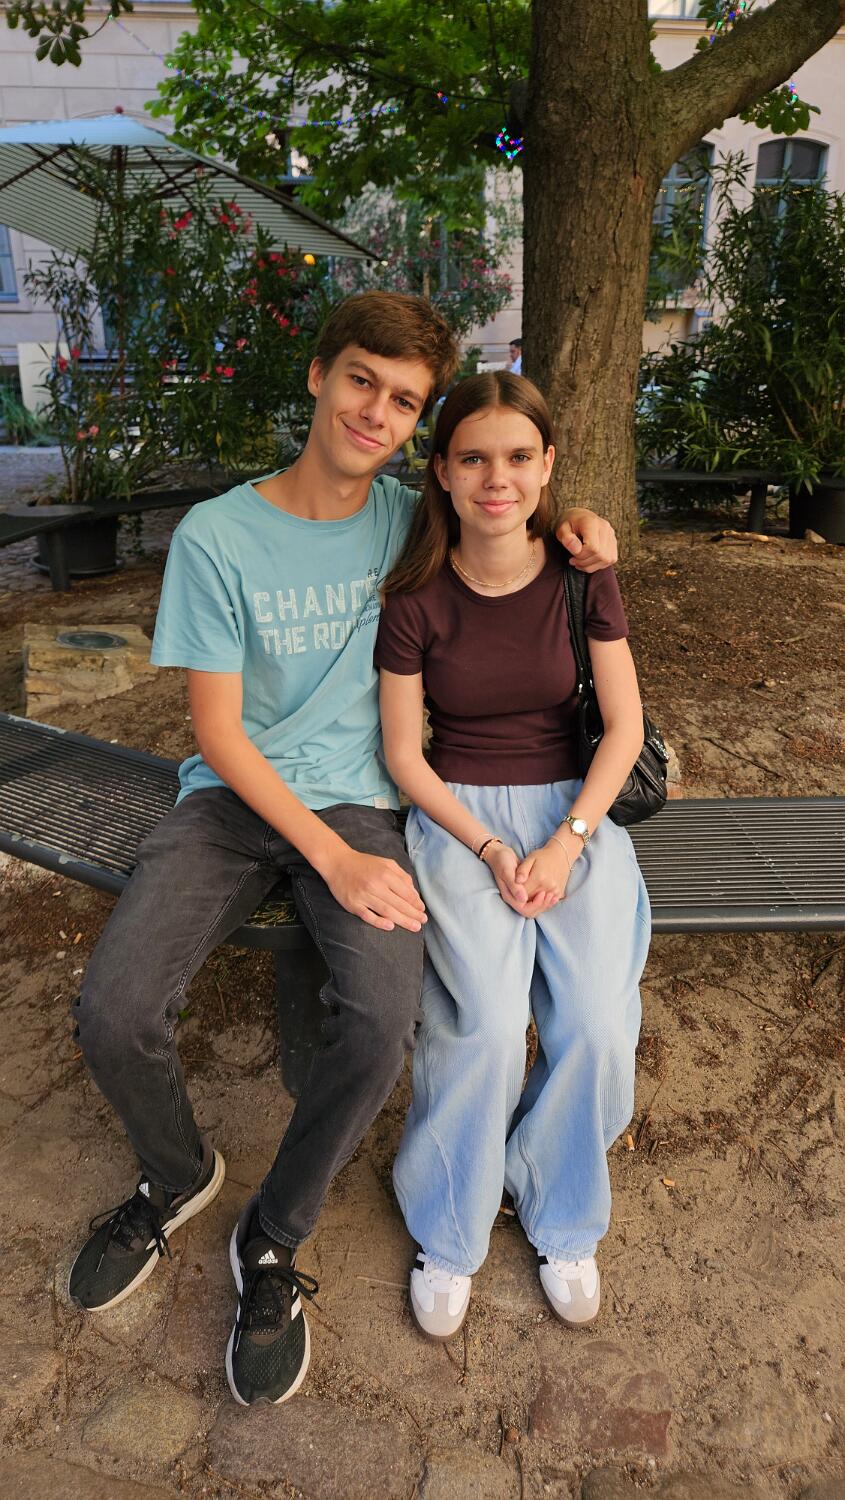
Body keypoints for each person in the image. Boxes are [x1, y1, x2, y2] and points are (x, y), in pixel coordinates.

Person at [67, 293, 619, 1409]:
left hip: (368, 806)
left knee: (378, 1021)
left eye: (404, 400)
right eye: (362, 380)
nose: (378, 411)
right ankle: (176, 1176)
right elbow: (219, 733)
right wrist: (329, 858)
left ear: (418, 426)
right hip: (235, 804)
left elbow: (512, 508)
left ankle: (274, 1233)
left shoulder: (414, 520)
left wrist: (586, 534)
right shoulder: (219, 535)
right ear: (319, 375)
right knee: (112, 1012)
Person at [375, 371, 650, 1340]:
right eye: (474, 458)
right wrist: (492, 847)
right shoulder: (415, 598)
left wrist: (566, 842)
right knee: (486, 1025)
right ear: (442, 472)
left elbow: (623, 727)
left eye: (518, 457)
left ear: (546, 465)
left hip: (574, 813)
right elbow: (404, 756)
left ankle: (557, 1203)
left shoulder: (581, 577)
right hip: (460, 819)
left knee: (595, 1022)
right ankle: (448, 1225)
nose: (498, 478)